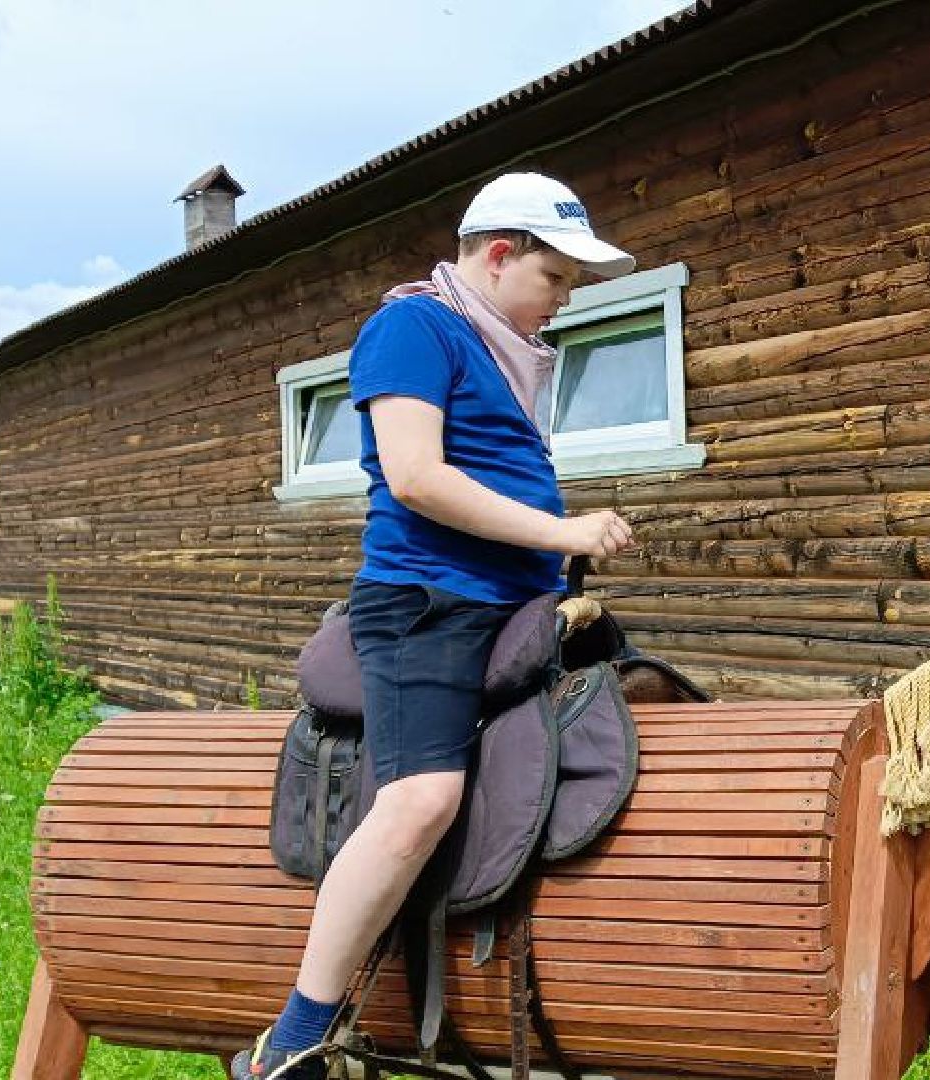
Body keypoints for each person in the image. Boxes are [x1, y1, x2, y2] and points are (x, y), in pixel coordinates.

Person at [234, 173, 639, 1080]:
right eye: (556, 278)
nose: (563, 301)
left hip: (513, 603)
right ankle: (293, 1040)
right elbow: (415, 476)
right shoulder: (413, 328)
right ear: (499, 255)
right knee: (422, 798)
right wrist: (562, 530)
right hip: (429, 603)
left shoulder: (501, 349)